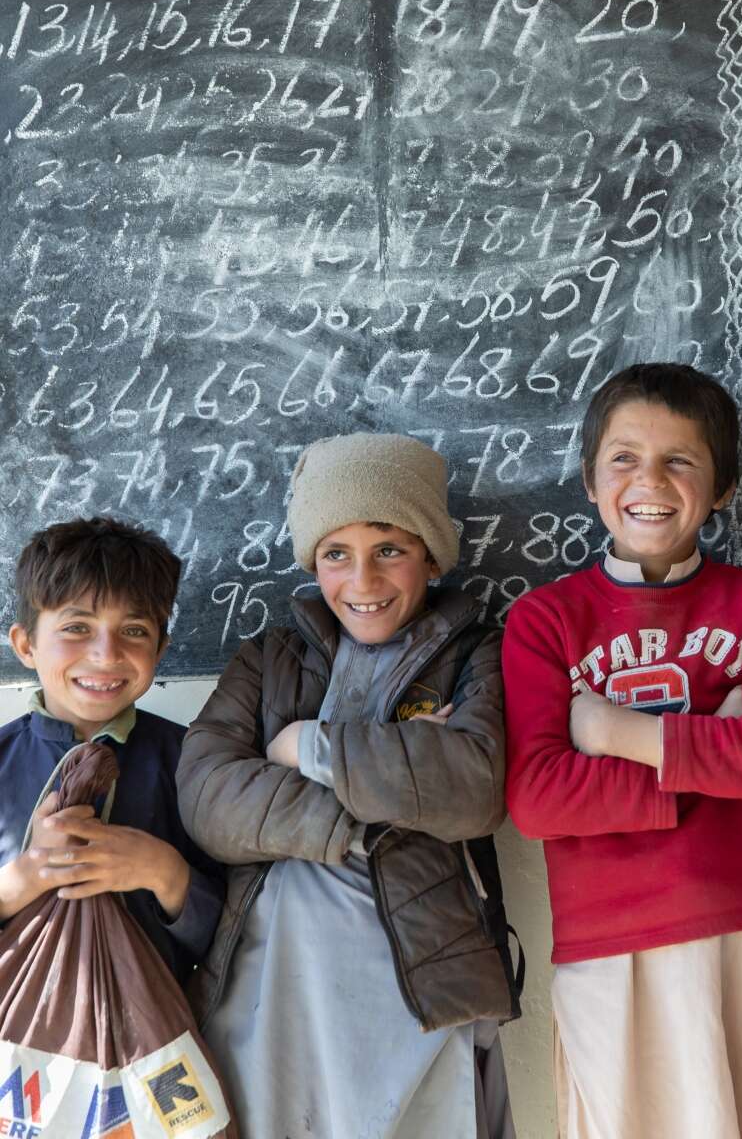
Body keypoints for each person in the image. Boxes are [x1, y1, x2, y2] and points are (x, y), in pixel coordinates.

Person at [503, 362, 742, 1139]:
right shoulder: (545, 621)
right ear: (589, 479)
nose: (650, 479)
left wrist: (618, 736)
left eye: (681, 459)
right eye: (624, 458)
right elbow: (538, 799)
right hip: (610, 948)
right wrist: (717, 745)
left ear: (722, 488)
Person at [178, 432, 520, 1139]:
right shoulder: (269, 659)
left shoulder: (478, 652)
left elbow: (475, 787)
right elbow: (208, 798)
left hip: (417, 979)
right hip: (274, 982)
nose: (363, 581)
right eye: (337, 553)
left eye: (390, 549)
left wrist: (307, 745)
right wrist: (384, 794)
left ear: (430, 554)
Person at [0, 516, 222, 980]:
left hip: (155, 1039)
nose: (106, 653)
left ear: (160, 650)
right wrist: (24, 879)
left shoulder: (197, 762)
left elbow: (237, 933)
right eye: (77, 627)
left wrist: (164, 872)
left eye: (135, 631)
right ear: (25, 644)